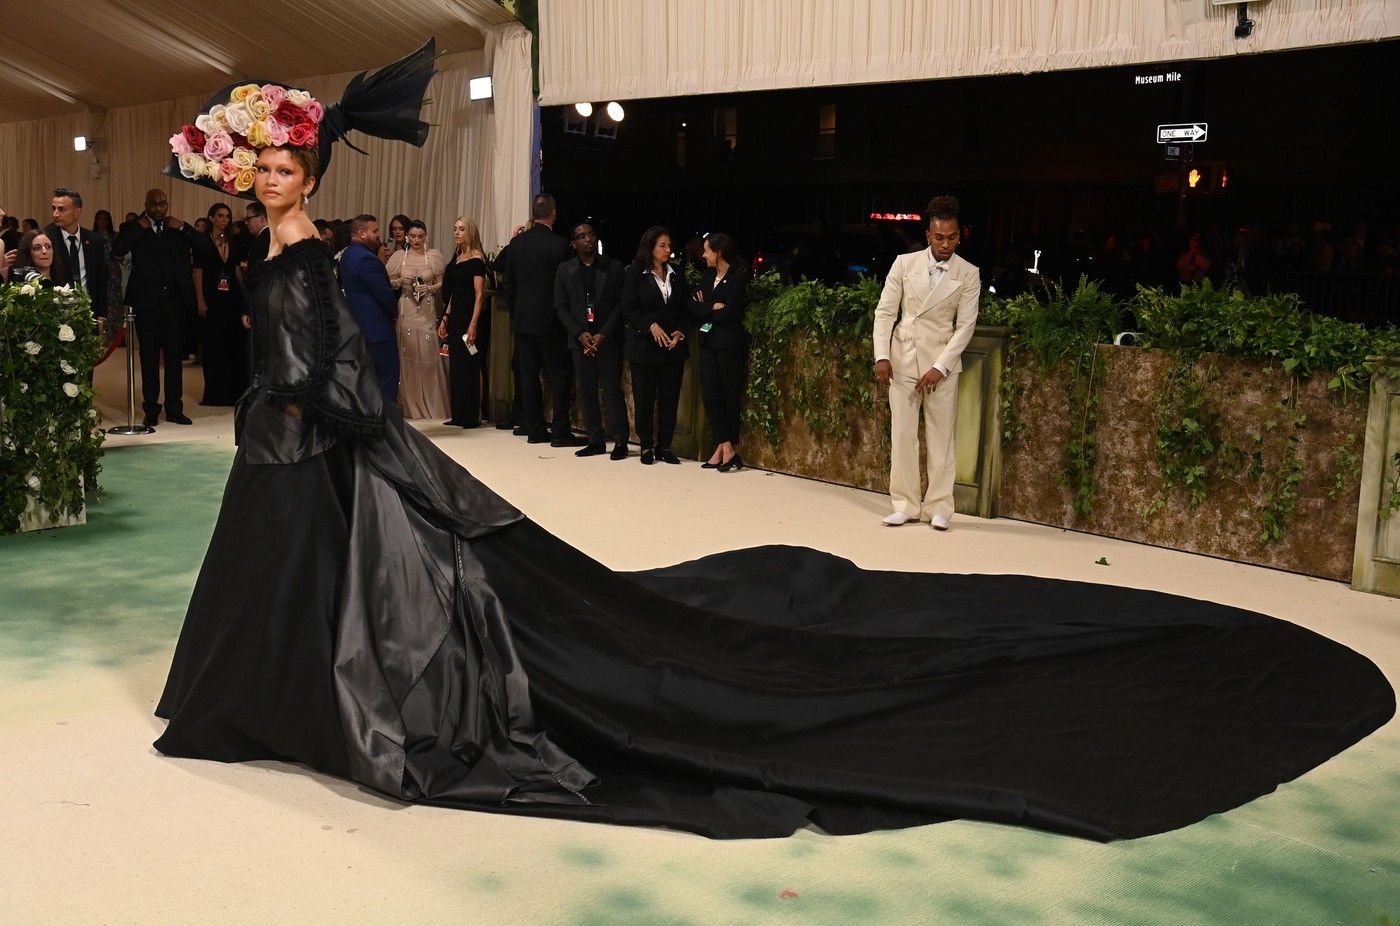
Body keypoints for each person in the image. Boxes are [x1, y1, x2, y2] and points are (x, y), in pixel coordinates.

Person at [146, 50, 1395, 844]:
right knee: (305, 585)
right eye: (255, 164)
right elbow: (302, 363)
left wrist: (320, 403)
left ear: (304, 163)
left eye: (280, 161)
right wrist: (298, 399)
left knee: (428, 605)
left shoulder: (308, 251)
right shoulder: (270, 247)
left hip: (313, 447)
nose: (266, 176)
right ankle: (264, 698)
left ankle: (285, 700)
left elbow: (336, 369)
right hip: (287, 455)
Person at [873, 195, 980, 530]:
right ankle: (904, 503)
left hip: (942, 366)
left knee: (941, 437)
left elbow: (966, 326)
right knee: (903, 434)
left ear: (959, 236)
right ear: (928, 234)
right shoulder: (904, 264)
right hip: (903, 358)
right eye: (939, 237)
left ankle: (939, 508)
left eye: (951, 238)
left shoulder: (969, 273)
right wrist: (882, 355)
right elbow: (885, 313)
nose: (945, 244)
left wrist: (940, 367)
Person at [113, 188, 198, 426]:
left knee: (173, 360)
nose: (159, 209)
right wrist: (139, 227)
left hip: (174, 305)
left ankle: (174, 407)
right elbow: (118, 249)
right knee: (149, 359)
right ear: (146, 204)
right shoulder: (134, 228)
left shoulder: (175, 228)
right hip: (147, 305)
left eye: (163, 204)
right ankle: (151, 409)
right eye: (154, 204)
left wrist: (184, 227)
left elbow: (203, 246)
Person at [501, 194, 582, 447]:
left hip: (523, 320)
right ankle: (559, 431)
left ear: (533, 214)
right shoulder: (559, 245)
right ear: (553, 213)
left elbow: (508, 284)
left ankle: (534, 429)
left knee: (528, 374)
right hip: (551, 321)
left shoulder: (517, 244)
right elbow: (566, 287)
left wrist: (516, 315)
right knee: (559, 374)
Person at [554, 222, 628, 459]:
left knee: (612, 391)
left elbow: (620, 305)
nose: (588, 239)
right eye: (582, 236)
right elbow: (561, 307)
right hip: (580, 340)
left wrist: (602, 334)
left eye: (591, 235)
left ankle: (620, 442)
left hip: (607, 339)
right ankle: (595, 440)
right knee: (586, 391)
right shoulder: (565, 270)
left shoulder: (615, 268)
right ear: (573, 243)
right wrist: (580, 334)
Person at [621, 225, 691, 465]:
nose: (667, 250)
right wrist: (650, 325)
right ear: (650, 247)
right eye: (662, 245)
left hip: (673, 347)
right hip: (644, 347)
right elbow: (629, 309)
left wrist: (680, 331)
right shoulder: (634, 272)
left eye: (669, 245)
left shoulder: (677, 273)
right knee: (644, 398)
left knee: (670, 399)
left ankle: (665, 446)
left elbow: (685, 309)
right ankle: (646, 445)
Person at [689, 232, 749, 472]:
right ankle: (726, 447)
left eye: (707, 250)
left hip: (729, 344)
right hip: (708, 342)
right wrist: (710, 307)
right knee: (710, 394)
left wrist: (707, 309)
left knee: (728, 395)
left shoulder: (739, 276)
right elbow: (691, 305)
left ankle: (724, 447)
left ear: (719, 252)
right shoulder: (707, 276)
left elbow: (728, 313)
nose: (703, 255)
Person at [386, 219, 448, 419]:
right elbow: (389, 282)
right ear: (407, 237)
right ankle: (410, 405)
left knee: (429, 356)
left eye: (420, 236)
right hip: (406, 308)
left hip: (427, 310)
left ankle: (432, 405)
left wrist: (428, 288)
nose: (416, 240)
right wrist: (400, 282)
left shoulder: (433, 258)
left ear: (426, 236)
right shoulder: (398, 257)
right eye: (413, 236)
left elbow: (441, 283)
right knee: (408, 356)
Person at [340, 213, 400, 402]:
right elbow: (383, 294)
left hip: (359, 326)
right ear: (361, 233)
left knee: (366, 381)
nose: (377, 234)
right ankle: (386, 425)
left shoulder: (348, 254)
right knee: (387, 378)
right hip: (377, 327)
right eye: (374, 231)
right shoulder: (366, 259)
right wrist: (395, 313)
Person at [438, 215, 491, 428]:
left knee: (470, 365)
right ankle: (459, 414)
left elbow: (479, 295)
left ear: (469, 231)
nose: (456, 232)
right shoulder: (456, 258)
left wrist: (473, 324)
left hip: (471, 317)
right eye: (454, 228)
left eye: (461, 229)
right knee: (457, 366)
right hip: (456, 316)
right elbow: (453, 294)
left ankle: (472, 416)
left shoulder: (477, 259)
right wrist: (445, 318)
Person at [193, 203, 248, 406]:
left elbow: (236, 271)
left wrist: (244, 296)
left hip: (231, 298)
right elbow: (198, 272)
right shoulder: (203, 242)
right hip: (211, 296)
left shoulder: (234, 241)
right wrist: (200, 299)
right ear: (211, 217)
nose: (224, 219)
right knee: (212, 345)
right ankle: (214, 394)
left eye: (227, 216)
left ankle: (233, 392)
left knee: (232, 344)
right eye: (220, 215)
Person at [44, 187, 109, 322]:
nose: (55, 214)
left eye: (61, 209)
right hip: (58, 314)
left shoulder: (94, 240)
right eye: (53, 208)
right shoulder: (47, 238)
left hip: (89, 313)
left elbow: (101, 280)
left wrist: (102, 314)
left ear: (77, 212)